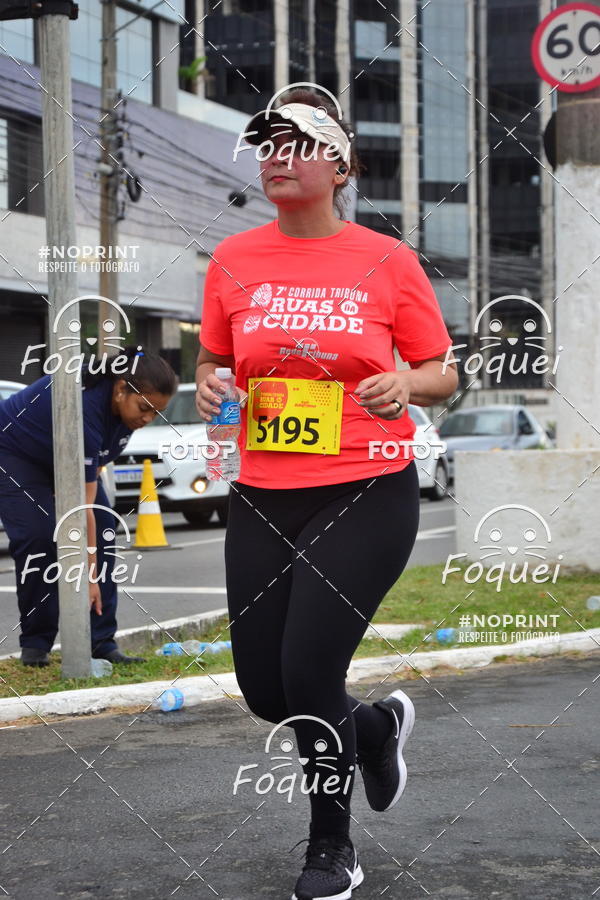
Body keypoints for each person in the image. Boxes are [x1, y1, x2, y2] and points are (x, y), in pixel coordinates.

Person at [195, 87, 458, 900]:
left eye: (300, 144)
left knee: (309, 675)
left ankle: (331, 848)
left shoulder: (387, 260)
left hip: (367, 489)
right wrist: (209, 385)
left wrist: (405, 383)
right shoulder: (232, 259)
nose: (278, 157)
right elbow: (214, 361)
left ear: (341, 167)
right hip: (263, 493)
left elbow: (442, 373)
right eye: (268, 145)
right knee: (265, 691)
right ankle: (373, 727)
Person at [0, 346, 178, 667]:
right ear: (121, 389)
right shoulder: (85, 411)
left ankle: (101, 641)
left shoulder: (125, 416)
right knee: (39, 537)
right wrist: (90, 577)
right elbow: (82, 511)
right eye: (144, 408)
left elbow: (90, 489)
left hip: (60, 455)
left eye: (157, 413)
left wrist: (92, 570)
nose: (148, 419)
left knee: (106, 528)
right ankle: (36, 645)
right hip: (14, 451)